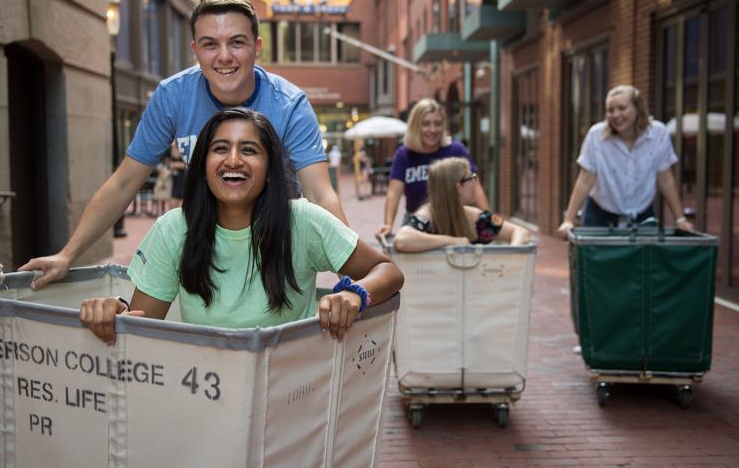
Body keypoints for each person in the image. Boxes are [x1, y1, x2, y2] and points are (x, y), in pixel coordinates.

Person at [21, 0, 346, 289]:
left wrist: (353, 275)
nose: (224, 57)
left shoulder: (289, 103)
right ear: (195, 50)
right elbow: (124, 183)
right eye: (209, 44)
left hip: (277, 243)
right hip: (210, 244)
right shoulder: (172, 96)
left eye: (236, 42)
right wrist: (68, 254)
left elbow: (319, 191)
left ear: (257, 47)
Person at [79, 108, 404, 343]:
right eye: (220, 148)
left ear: (269, 167)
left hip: (291, 396)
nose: (233, 159)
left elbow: (388, 271)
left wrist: (355, 293)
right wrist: (115, 312)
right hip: (205, 399)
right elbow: (141, 327)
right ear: (203, 164)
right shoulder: (173, 229)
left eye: (249, 150)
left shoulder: (304, 220)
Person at [557, 84, 694, 236]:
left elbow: (666, 179)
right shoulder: (596, 135)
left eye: (622, 108)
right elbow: (584, 180)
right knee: (599, 260)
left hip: (642, 215)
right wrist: (568, 220)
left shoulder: (658, 134)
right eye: (610, 110)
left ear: (638, 108)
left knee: (643, 260)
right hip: (599, 216)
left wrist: (680, 219)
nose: (615, 115)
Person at [375, 98, 489, 239]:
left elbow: (474, 184)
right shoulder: (404, 154)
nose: (433, 130)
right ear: (415, 126)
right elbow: (394, 192)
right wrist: (388, 224)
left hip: (453, 222)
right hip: (417, 223)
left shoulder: (455, 149)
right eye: (426, 124)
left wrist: (487, 219)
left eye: (438, 124)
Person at [393, 158, 529, 252]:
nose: (475, 183)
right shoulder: (427, 216)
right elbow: (402, 240)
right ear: (459, 187)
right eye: (472, 178)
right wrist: (454, 241)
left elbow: (520, 231)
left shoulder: (478, 218)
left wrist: (513, 254)